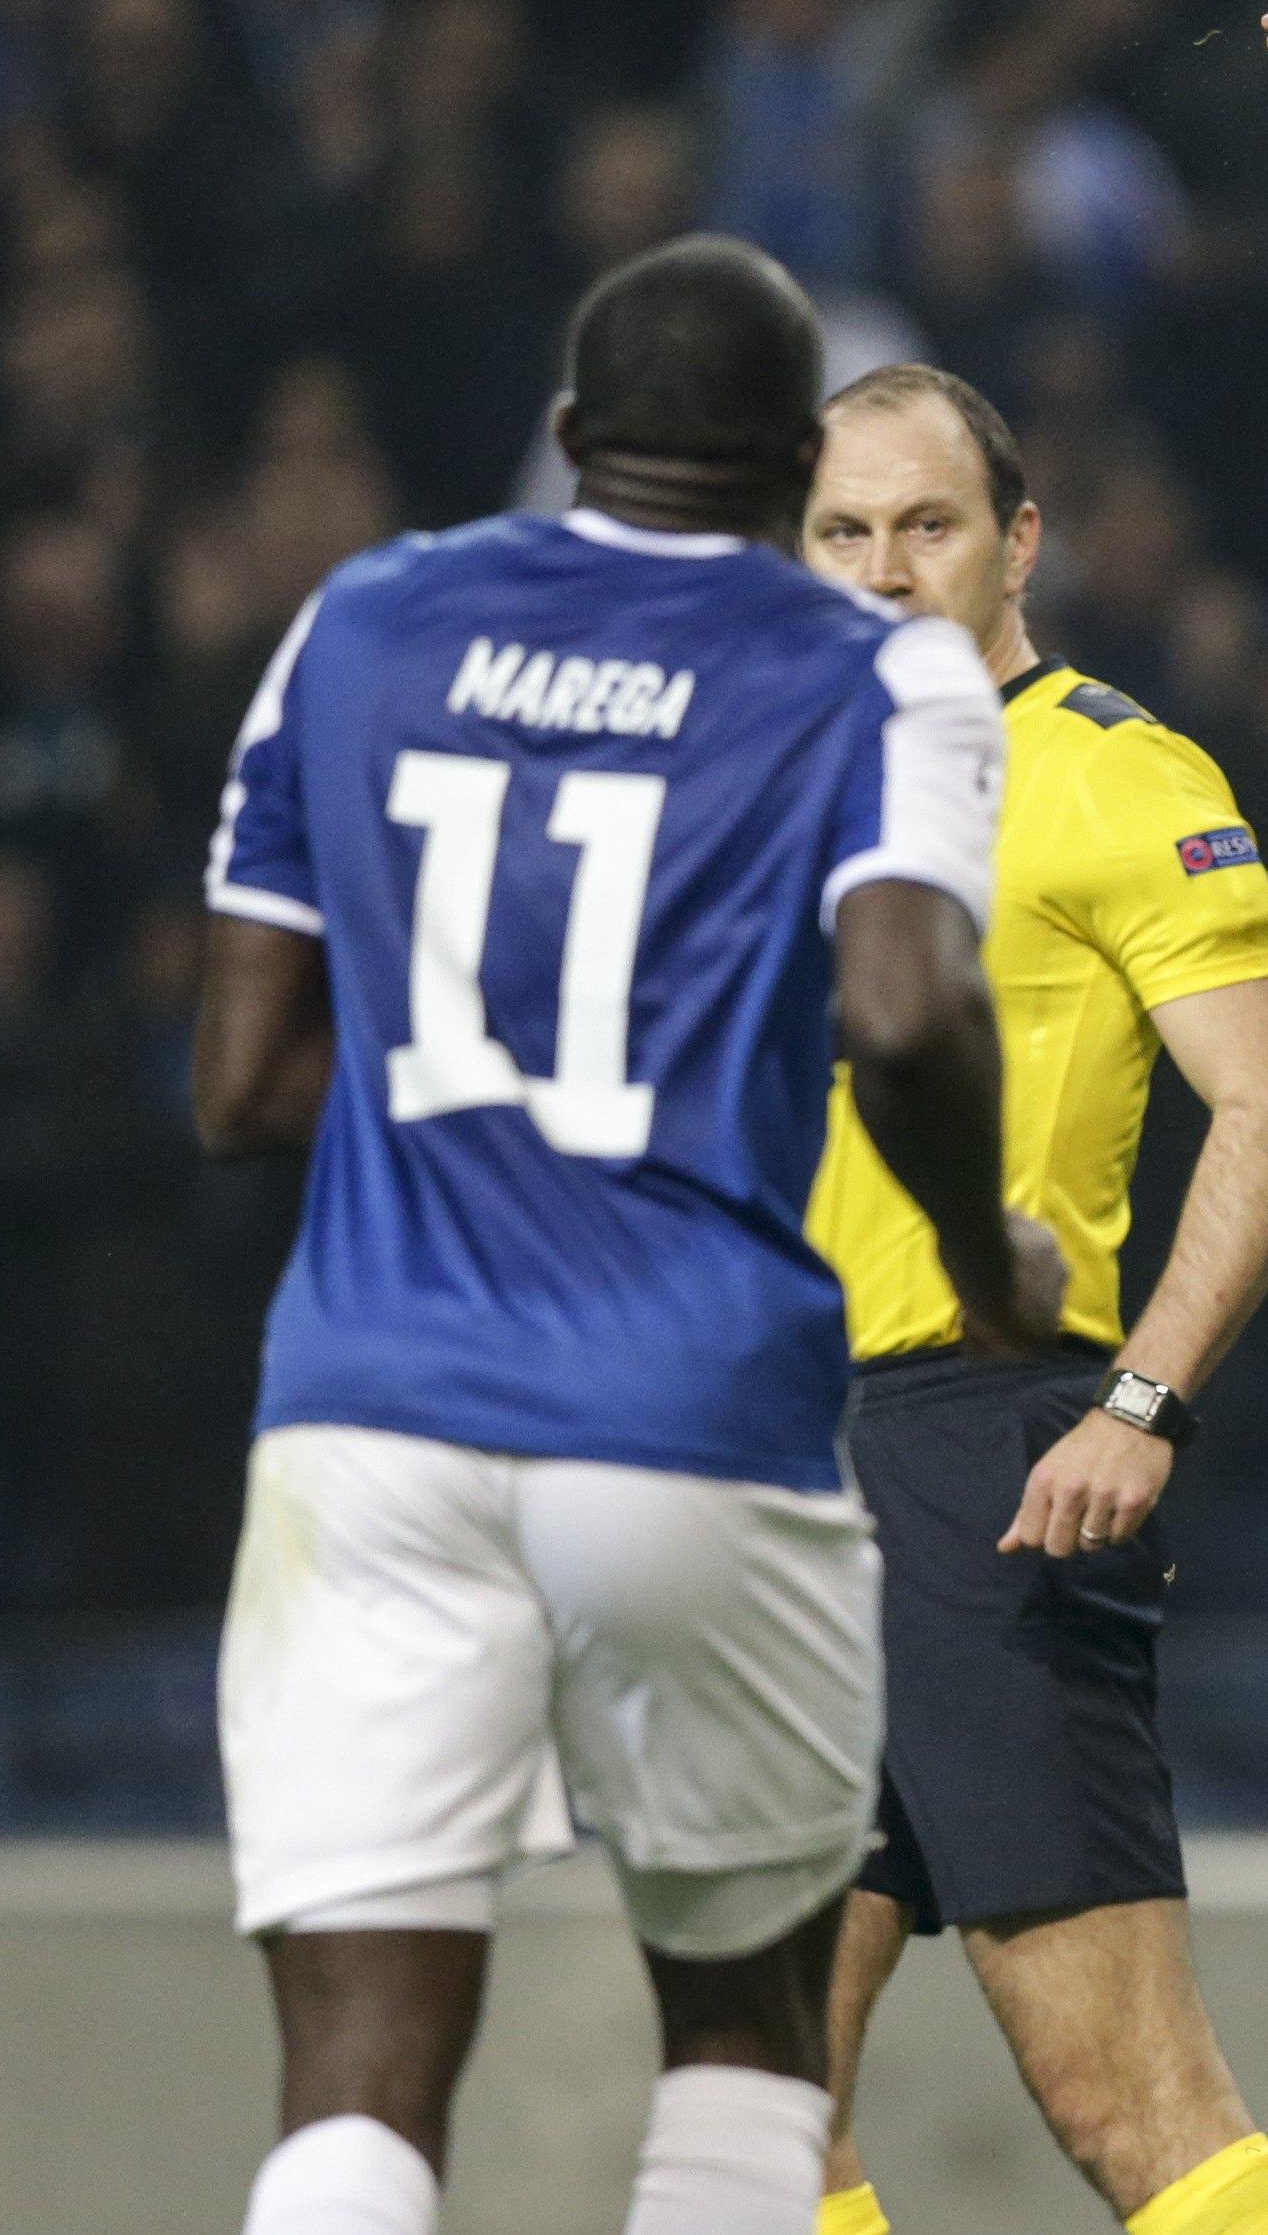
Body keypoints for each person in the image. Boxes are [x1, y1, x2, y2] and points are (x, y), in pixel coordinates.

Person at [190, 236, 1062, 2235]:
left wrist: (465, 1115)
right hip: (691, 1402)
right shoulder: (875, 670)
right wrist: (978, 1251)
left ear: (573, 433)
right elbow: (904, 1009)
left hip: (369, 1410)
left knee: (353, 2076)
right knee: (748, 2034)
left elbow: (239, 1082)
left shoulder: (359, 617)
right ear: (797, 466)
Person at [793, 364, 1268, 2235]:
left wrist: (1143, 1398)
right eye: (841, 532)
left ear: (1017, 540)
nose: (883, 570)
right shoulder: (796, 789)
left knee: (1129, 2100)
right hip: (786, 1473)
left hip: (984, 1454)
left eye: (925, 525)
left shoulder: (1114, 769)